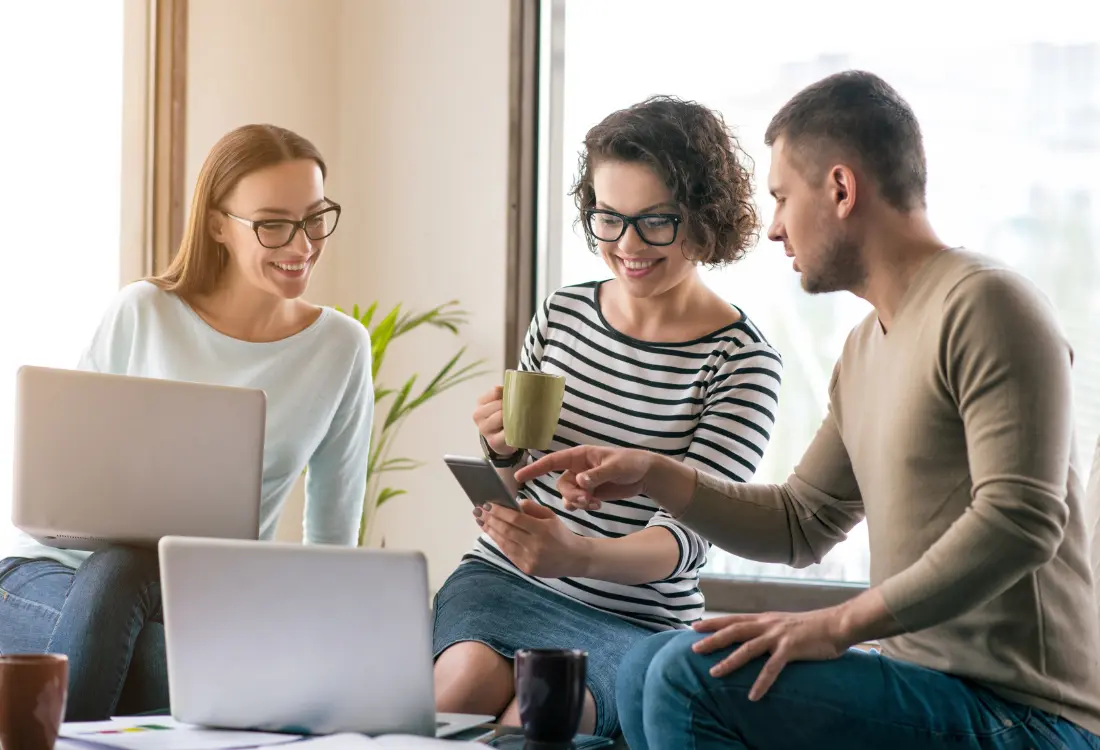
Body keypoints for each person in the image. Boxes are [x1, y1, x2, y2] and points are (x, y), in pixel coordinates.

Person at [516, 70, 1100, 750]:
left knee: (684, 674)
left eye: (783, 198)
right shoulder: (864, 348)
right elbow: (803, 523)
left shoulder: (986, 304)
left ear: (842, 190)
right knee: (648, 665)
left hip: (1023, 713)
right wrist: (653, 473)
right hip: (923, 683)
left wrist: (836, 625)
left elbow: (1021, 521)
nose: (772, 229)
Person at [431, 95, 783, 739]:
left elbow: (684, 540)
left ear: (704, 220)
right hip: (502, 582)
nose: (627, 245)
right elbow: (514, 489)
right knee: (459, 691)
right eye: (608, 218)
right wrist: (502, 455)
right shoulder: (562, 313)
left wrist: (576, 555)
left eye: (655, 222)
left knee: (535, 723)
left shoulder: (742, 362)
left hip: (636, 622)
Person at [0, 124, 374, 720]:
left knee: (159, 654)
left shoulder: (341, 348)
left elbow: (331, 538)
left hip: (195, 598)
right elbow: (60, 488)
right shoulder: (141, 312)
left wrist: (316, 644)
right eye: (273, 223)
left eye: (315, 216)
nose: (301, 243)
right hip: (49, 579)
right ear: (217, 224)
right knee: (126, 578)